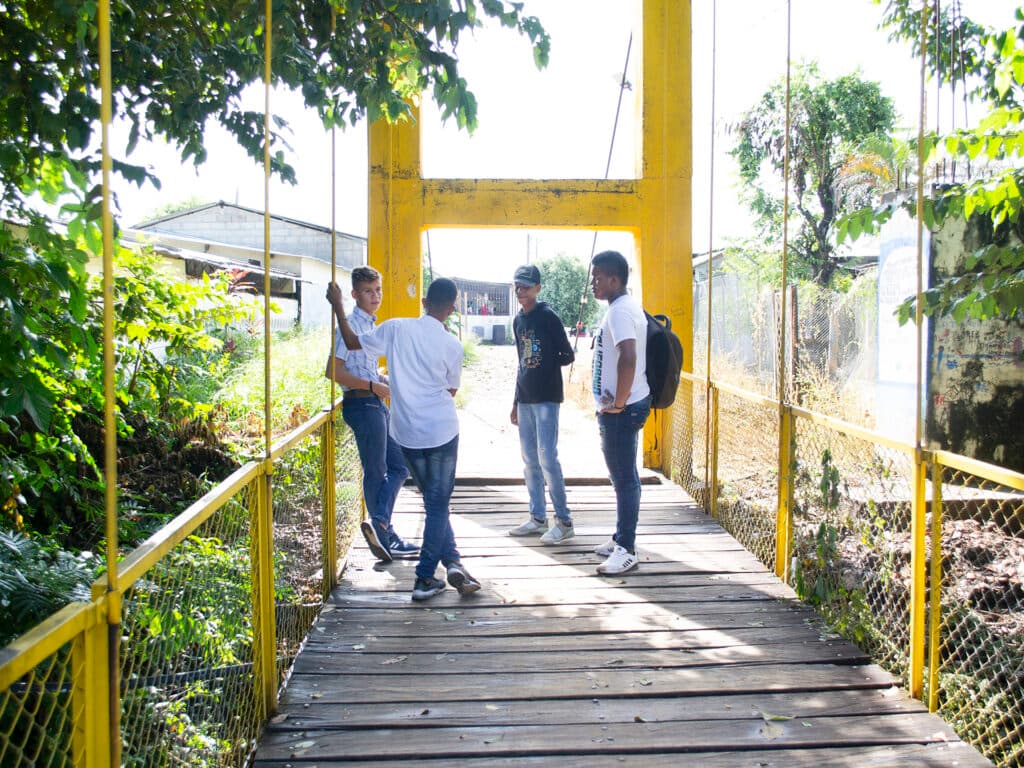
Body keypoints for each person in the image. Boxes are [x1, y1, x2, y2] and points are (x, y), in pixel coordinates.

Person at [327, 277, 481, 602]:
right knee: (438, 503)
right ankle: (425, 578)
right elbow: (451, 391)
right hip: (441, 431)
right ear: (452, 309)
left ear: (424, 301)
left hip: (406, 432)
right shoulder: (452, 346)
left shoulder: (396, 328)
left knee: (433, 500)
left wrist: (339, 307)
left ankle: (453, 562)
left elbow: (353, 342)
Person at [326, 266, 417, 564]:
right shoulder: (349, 325)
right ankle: (384, 533)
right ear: (355, 294)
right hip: (363, 404)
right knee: (377, 470)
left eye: (377, 289)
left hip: (374, 402)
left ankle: (380, 524)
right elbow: (335, 371)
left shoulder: (368, 325)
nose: (375, 295)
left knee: (400, 466)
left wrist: (380, 378)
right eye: (368, 291)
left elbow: (360, 363)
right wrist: (371, 385)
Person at [589, 250, 651, 575]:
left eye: (598, 277)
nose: (593, 283)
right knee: (622, 476)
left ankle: (626, 549)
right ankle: (619, 538)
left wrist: (618, 403)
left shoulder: (620, 312)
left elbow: (628, 357)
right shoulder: (622, 307)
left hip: (622, 411)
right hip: (623, 406)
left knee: (625, 479)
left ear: (614, 279)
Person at [506, 264, 576, 544]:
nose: (520, 291)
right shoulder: (518, 321)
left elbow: (567, 354)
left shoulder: (548, 317)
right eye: (517, 286)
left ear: (537, 288)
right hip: (525, 398)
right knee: (529, 460)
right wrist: (514, 401)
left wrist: (545, 360)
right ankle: (537, 517)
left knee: (548, 457)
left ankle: (564, 520)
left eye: (525, 286)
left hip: (547, 397)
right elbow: (521, 362)